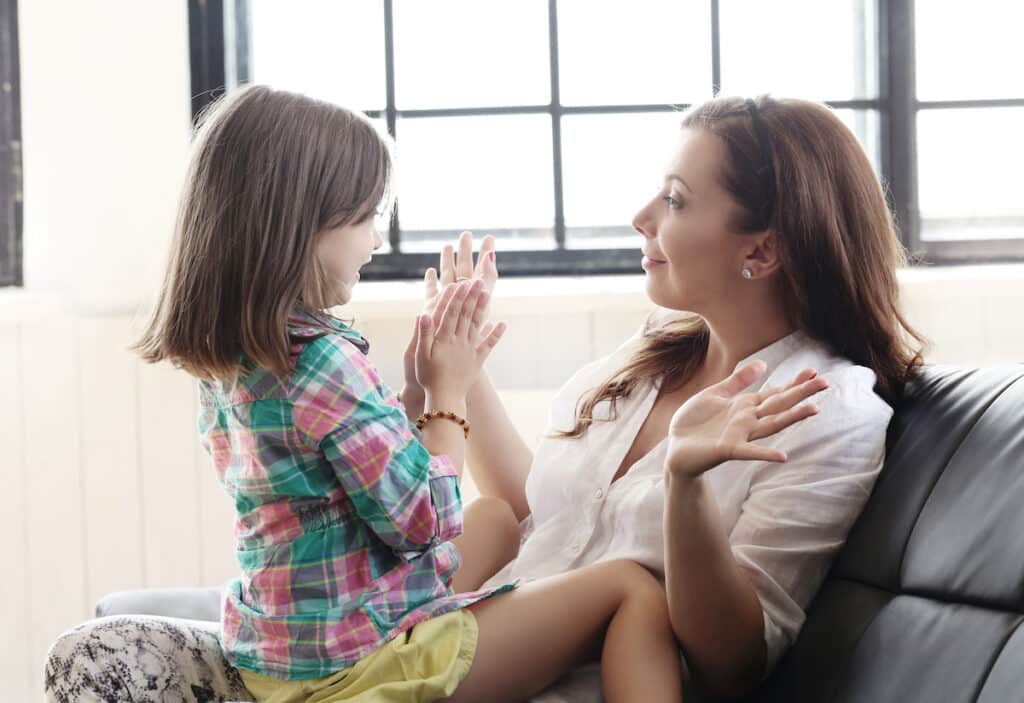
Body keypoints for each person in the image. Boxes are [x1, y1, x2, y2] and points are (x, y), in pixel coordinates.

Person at [43, 93, 915, 703]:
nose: (640, 214)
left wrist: (686, 481)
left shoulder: (824, 406)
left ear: (759, 251)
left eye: (677, 199)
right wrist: (457, 377)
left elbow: (731, 664)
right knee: (495, 520)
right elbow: (538, 512)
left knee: (615, 582)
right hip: (475, 623)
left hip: (527, 664)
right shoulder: (643, 363)